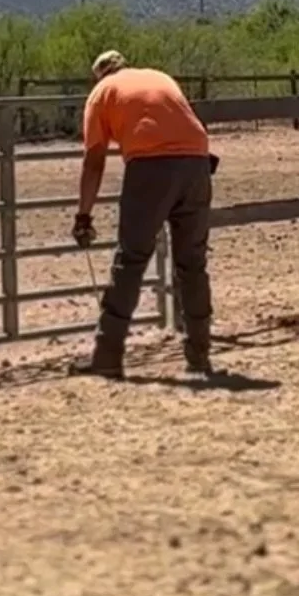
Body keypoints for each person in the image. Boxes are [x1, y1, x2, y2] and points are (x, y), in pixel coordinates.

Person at [69, 50, 217, 380]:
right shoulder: (159, 77)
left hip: (151, 167)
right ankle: (200, 354)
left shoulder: (102, 93)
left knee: (131, 259)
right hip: (197, 163)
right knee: (192, 263)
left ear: (98, 75)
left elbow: (94, 160)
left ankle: (107, 356)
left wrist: (83, 216)